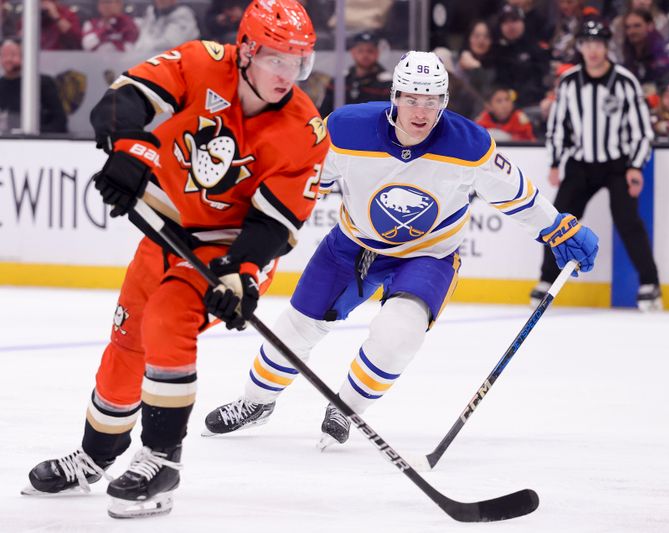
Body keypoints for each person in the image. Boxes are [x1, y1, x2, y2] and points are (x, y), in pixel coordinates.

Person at [22, 0, 329, 519]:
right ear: (247, 50)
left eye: (298, 61)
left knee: (168, 319)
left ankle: (161, 459)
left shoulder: (304, 131)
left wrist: (242, 274)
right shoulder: (201, 62)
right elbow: (126, 100)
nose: (288, 74)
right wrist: (128, 153)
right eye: (277, 58)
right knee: (126, 340)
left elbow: (274, 224)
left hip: (226, 246)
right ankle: (96, 457)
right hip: (165, 229)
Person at [201, 50, 599, 447]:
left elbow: (518, 196)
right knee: (293, 328)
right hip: (350, 246)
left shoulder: (470, 145)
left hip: (428, 256)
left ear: (444, 102)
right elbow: (300, 183)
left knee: (398, 333)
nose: (420, 111)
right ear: (394, 96)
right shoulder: (345, 129)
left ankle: (346, 406)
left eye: (431, 101)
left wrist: (559, 229)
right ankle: (256, 402)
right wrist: (250, 218)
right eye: (411, 98)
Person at [531, 20, 661, 311]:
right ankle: (546, 281)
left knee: (628, 221)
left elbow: (641, 130)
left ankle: (650, 283)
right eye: (587, 44)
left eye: (598, 44)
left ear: (606, 47)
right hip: (579, 165)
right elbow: (558, 126)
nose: (592, 50)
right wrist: (555, 162)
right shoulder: (569, 82)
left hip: (617, 164)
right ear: (580, 48)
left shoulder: (625, 81)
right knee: (557, 222)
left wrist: (635, 166)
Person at [318, 31, 392, 117]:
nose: (365, 55)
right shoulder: (340, 80)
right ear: (352, 52)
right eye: (360, 50)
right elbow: (323, 112)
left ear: (377, 53)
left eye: (370, 51)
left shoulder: (387, 83)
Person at [0, 38, 67, 133]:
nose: (8, 59)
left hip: (40, 143)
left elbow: (59, 121)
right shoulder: (1, 85)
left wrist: (35, 135)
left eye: (13, 55)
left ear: (24, 56)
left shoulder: (41, 83)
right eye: (4, 55)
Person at [133, 0, 200, 52]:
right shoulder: (153, 12)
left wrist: (142, 47)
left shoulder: (183, 15)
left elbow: (170, 44)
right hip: (149, 58)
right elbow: (144, 32)